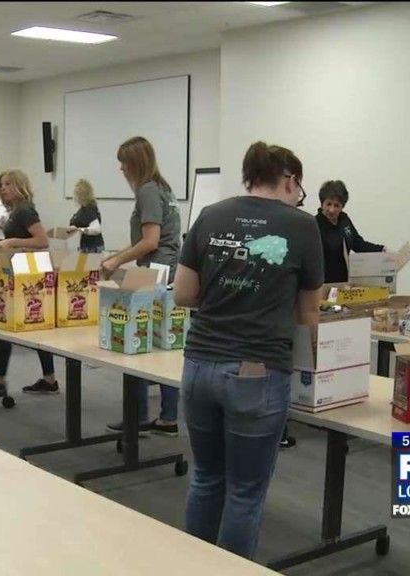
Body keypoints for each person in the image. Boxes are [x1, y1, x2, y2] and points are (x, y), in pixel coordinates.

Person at [173, 141, 322, 559]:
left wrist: (227, 295)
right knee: (245, 492)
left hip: (199, 365)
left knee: (206, 477)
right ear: (290, 180)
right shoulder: (302, 226)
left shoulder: (210, 215)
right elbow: (308, 313)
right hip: (257, 372)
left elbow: (183, 293)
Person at [101, 136, 181, 436]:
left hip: (156, 274)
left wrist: (115, 262)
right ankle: (168, 417)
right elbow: (146, 241)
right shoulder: (163, 188)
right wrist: (117, 255)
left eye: (124, 162)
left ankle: (138, 416)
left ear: (135, 162)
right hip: (169, 272)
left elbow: (150, 242)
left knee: (138, 341)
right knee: (165, 343)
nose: (121, 168)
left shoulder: (147, 190)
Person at [0, 169, 60, 395]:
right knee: (13, 324)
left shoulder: (25, 210)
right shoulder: (15, 211)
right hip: (20, 272)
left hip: (29, 275)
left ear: (19, 185)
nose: (3, 188)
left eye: (8, 184)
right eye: (1, 184)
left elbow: (42, 240)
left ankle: (5, 378)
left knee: (21, 324)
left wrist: (11, 241)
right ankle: (42, 379)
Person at [315, 180, 384, 283]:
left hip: (344, 281)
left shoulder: (344, 220)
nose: (332, 210)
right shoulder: (314, 224)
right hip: (322, 283)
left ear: (342, 206)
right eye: (328, 204)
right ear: (322, 204)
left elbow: (358, 244)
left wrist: (381, 249)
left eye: (336, 205)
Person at [67, 178, 105, 253]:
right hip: (88, 247)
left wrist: (79, 230)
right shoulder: (87, 208)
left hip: (91, 249)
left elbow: (96, 229)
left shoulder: (88, 210)